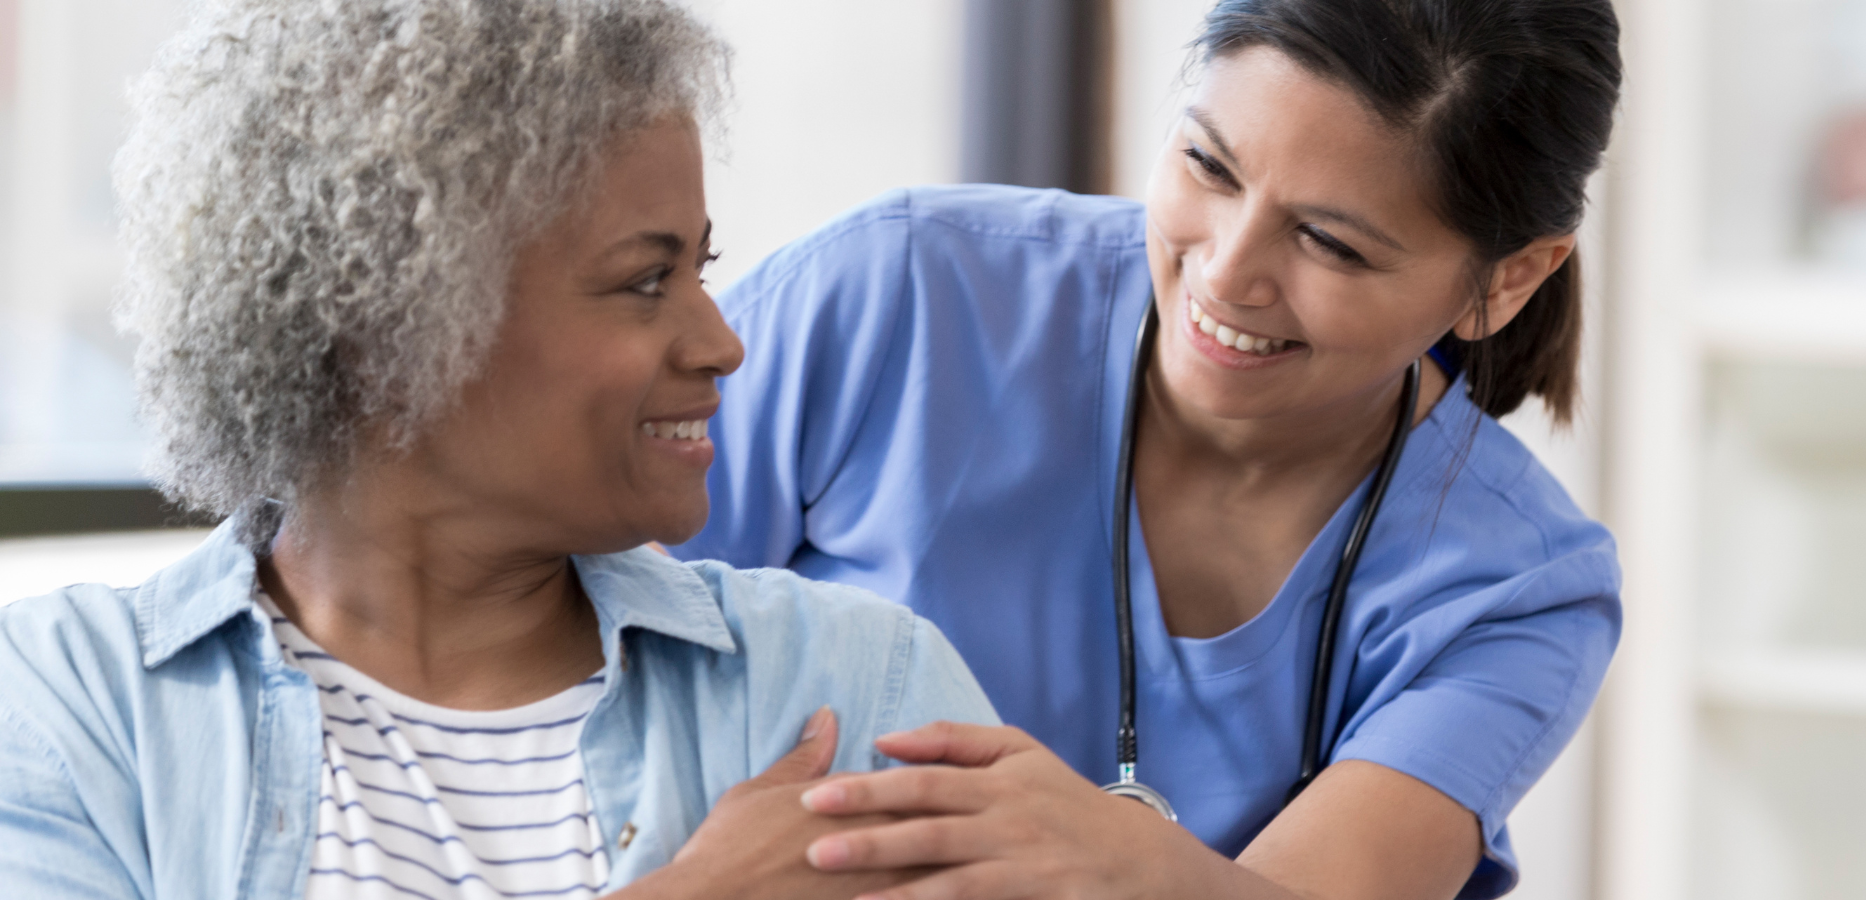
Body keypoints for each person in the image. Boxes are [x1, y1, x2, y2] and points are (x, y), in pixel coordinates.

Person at [0, 2, 995, 898]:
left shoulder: (856, 679)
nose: (721, 342)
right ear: (392, 330)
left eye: (702, 266)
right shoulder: (73, 708)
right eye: (646, 280)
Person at [674, 0, 1625, 897]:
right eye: (1211, 166)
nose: (1225, 271)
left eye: (1330, 243)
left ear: (1509, 280)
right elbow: (559, 609)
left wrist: (1120, 859)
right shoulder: (906, 294)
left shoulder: (1517, 589)